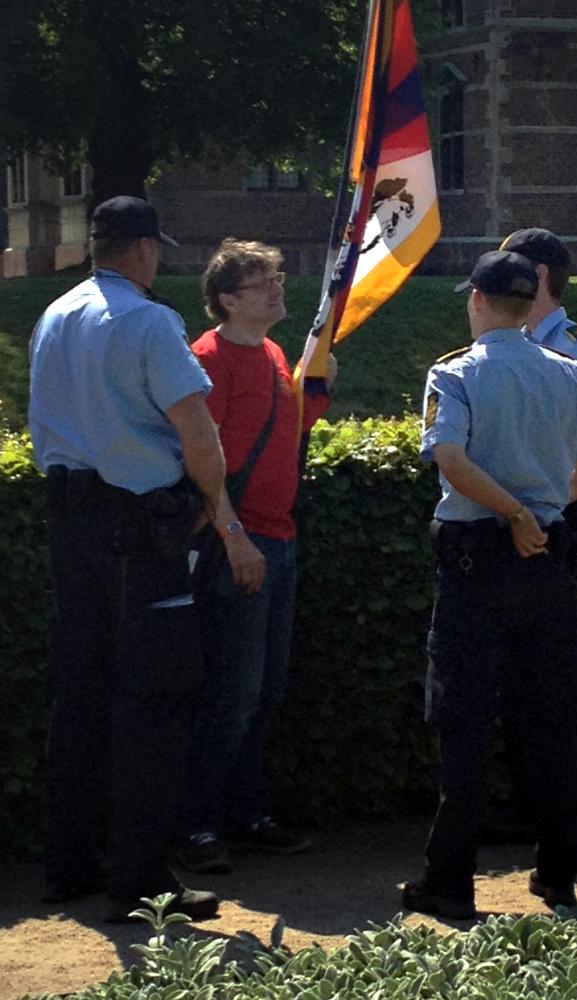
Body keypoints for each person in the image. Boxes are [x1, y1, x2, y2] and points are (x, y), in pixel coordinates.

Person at [29, 196, 262, 923]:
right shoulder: (150, 321)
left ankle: (68, 867)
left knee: (82, 697)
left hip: (74, 526)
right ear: (141, 251)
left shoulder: (55, 315)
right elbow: (197, 435)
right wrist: (207, 505)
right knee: (154, 704)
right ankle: (141, 883)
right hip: (142, 532)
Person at [401, 250, 577, 919]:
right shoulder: (570, 373)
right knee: (550, 724)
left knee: (463, 725)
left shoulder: (453, 372)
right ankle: (559, 872)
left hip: (476, 567)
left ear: (480, 301)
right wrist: (538, 516)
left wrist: (511, 514)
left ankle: (450, 881)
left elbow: (451, 460)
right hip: (547, 565)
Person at [173, 238, 336, 873]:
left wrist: (313, 389)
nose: (278, 288)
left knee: (264, 690)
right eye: (263, 281)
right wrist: (233, 534)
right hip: (237, 542)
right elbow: (198, 459)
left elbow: (284, 433)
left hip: (278, 538)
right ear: (227, 300)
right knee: (231, 692)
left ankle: (243, 814)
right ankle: (196, 825)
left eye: (276, 278)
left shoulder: (270, 353)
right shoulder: (205, 360)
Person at [499, 228, 577, 871]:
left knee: (574, 684)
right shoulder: (514, 347)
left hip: (563, 529)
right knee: (527, 683)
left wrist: (539, 514)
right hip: (532, 528)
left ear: (541, 275)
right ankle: (542, 814)